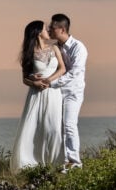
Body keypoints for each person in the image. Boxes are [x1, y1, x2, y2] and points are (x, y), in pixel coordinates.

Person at [10, 20, 66, 174]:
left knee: (54, 127)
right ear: (37, 32)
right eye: (44, 28)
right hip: (37, 94)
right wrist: (34, 83)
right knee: (35, 127)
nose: (47, 29)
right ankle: (31, 162)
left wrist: (49, 80)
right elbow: (24, 79)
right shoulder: (29, 53)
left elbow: (62, 68)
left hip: (53, 92)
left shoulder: (54, 47)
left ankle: (56, 162)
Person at [34, 13, 87, 169]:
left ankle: (75, 161)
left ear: (62, 29)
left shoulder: (79, 48)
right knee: (58, 127)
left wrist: (51, 82)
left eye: (52, 27)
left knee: (69, 124)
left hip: (72, 92)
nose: (49, 30)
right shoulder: (55, 46)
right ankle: (63, 161)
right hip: (57, 92)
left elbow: (73, 74)